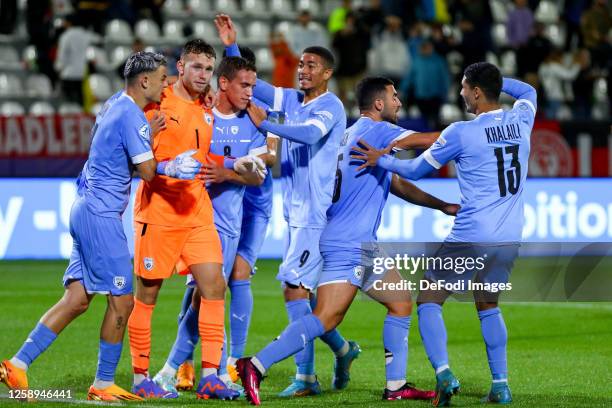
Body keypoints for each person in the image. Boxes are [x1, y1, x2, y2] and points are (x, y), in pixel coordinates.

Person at [235, 76, 460, 406]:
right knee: (326, 318)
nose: (399, 102)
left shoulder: (348, 135)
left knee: (400, 302)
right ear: (379, 104)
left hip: (359, 244)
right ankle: (254, 365)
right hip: (350, 245)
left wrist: (440, 205)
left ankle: (395, 386)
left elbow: (398, 184)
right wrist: (466, 133)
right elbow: (430, 139)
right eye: (394, 96)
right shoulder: (378, 131)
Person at [0, 51, 201, 401]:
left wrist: (144, 133)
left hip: (83, 207)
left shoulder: (113, 104)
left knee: (77, 299)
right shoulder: (133, 117)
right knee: (123, 302)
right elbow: (149, 172)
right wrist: (172, 166)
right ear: (144, 81)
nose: (166, 83)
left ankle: (17, 364)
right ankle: (104, 382)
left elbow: (110, 144)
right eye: (162, 77)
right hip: (102, 215)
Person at [352, 62, 537, 406]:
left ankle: (444, 373)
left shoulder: (461, 132)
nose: (461, 93)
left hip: (473, 232)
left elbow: (416, 170)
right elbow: (528, 92)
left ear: (477, 93)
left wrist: (382, 160)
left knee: (428, 299)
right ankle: (501, 385)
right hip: (510, 234)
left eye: (466, 87)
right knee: (488, 305)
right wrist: (497, 81)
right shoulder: (521, 120)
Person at [217, 14, 360, 398]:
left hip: (314, 215)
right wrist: (232, 46)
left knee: (294, 292)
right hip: (294, 213)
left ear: (327, 73)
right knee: (309, 299)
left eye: (311, 65)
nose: (303, 70)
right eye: (300, 64)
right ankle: (343, 351)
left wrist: (268, 127)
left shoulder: (330, 107)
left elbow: (309, 134)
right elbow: (256, 88)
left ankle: (306, 376)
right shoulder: (293, 100)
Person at [127, 39, 259, 400]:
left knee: (214, 286)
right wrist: (168, 166)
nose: (203, 75)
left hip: (198, 212)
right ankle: (141, 379)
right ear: (180, 67)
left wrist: (234, 164)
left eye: (208, 69)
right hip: (158, 213)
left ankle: (210, 376)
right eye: (196, 67)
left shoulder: (206, 106)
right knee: (148, 295)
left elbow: (204, 153)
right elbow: (134, 160)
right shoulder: (157, 101)